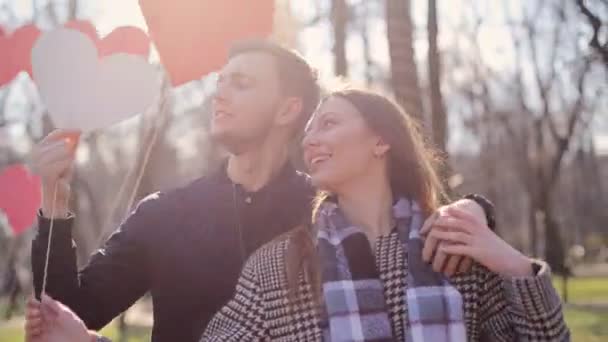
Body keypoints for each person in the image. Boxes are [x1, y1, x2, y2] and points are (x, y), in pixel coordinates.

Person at [27, 40, 488, 342]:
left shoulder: (331, 211)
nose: (219, 94)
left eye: (241, 83)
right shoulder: (164, 213)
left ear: (289, 109)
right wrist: (54, 201)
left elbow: (410, 226)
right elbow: (68, 312)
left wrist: (475, 210)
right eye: (220, 82)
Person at [200, 89, 570, 341]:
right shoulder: (276, 266)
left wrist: (514, 265)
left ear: (381, 140)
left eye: (328, 123)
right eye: (309, 131)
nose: (309, 140)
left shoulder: (452, 246)